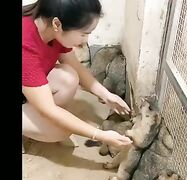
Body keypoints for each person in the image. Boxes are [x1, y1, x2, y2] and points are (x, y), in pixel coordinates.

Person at [22, 0, 133, 151]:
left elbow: (74, 65)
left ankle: (35, 120)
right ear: (57, 24)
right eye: (83, 33)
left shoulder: (51, 24)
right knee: (60, 130)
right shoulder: (25, 43)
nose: (85, 40)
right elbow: (48, 109)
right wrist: (100, 135)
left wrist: (105, 94)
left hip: (26, 88)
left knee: (69, 77)